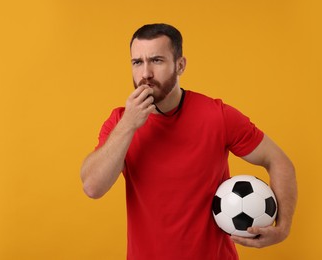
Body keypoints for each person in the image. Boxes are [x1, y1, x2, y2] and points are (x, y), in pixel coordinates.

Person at [80, 23, 297, 259]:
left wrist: (283, 228)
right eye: (137, 62)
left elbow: (278, 161)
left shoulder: (217, 116)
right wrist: (129, 125)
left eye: (157, 60)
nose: (145, 74)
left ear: (180, 65)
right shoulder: (120, 123)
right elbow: (93, 186)